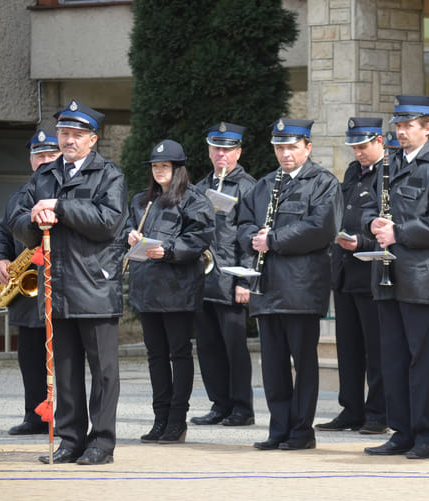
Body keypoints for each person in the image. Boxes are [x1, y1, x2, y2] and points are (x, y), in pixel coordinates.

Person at [11, 100, 128, 465]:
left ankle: (102, 442)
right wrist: (33, 216)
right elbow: (17, 220)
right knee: (65, 371)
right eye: (64, 133)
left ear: (92, 140)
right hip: (56, 288)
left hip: (94, 285)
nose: (68, 140)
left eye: (77, 135)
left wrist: (59, 207)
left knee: (103, 371)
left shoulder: (108, 175)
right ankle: (70, 439)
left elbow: (109, 221)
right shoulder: (43, 176)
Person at [362, 95, 429, 459]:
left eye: (408, 126)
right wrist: (371, 223)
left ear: (428, 128)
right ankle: (401, 431)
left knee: (421, 360)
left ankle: (425, 435)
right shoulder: (389, 164)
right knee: (392, 357)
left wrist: (399, 232)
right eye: (399, 126)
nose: (401, 132)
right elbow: (368, 207)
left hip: (422, 277)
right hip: (387, 272)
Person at [237, 118, 341, 451]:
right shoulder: (265, 184)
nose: (285, 153)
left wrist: (275, 239)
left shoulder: (322, 182)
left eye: (292, 147)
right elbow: (241, 222)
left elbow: (321, 228)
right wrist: (253, 237)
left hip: (301, 287)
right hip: (266, 287)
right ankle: (278, 428)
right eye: (279, 147)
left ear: (307, 148)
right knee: (273, 364)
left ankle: (301, 430)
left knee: (303, 362)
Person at [127, 140, 215, 444]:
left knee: (178, 354)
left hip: (178, 289)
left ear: (178, 169)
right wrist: (130, 236)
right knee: (155, 356)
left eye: (165, 166)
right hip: (146, 287)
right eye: (155, 166)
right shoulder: (141, 201)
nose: (158, 171)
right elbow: (125, 230)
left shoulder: (195, 200)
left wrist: (167, 250)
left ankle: (177, 420)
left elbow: (199, 237)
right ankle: (159, 418)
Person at [315, 117, 387, 435]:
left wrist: (363, 242)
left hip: (372, 269)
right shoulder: (353, 172)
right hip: (346, 270)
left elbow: (390, 222)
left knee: (376, 348)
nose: (358, 152)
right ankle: (351, 409)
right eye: (355, 146)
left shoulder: (391, 173)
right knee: (348, 347)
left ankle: (378, 412)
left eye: (363, 146)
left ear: (379, 142)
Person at [0, 129, 60, 435]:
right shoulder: (17, 197)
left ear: (61, 157)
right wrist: (0, 261)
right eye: (39, 155)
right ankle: (35, 417)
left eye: (51, 155)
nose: (45, 160)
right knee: (30, 359)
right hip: (27, 293)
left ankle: (68, 421)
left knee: (67, 361)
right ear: (31, 159)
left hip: (63, 289)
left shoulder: (70, 191)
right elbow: (3, 237)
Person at [190, 122, 258, 428]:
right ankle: (219, 404)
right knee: (207, 347)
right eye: (216, 148)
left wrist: (246, 280)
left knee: (234, 348)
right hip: (203, 280)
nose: (221, 154)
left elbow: (250, 236)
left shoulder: (249, 187)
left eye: (228, 149)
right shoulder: (201, 186)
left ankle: (242, 408)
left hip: (232, 279)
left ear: (238, 152)